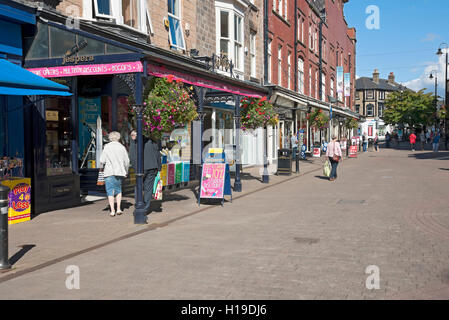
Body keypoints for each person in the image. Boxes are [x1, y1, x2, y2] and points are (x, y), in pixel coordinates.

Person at [100, 131, 130, 217]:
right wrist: (126, 170)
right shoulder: (122, 147)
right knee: (118, 190)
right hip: (120, 172)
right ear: (118, 137)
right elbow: (127, 161)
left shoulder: (107, 147)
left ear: (110, 138)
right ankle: (119, 209)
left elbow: (102, 160)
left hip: (109, 172)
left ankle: (112, 210)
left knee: (110, 191)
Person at [130, 134, 162, 214]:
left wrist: (135, 168)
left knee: (138, 187)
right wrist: (159, 168)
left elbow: (132, 156)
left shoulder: (136, 142)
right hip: (152, 167)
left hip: (141, 168)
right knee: (148, 189)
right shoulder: (152, 142)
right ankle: (145, 208)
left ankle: (138, 205)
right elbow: (158, 155)